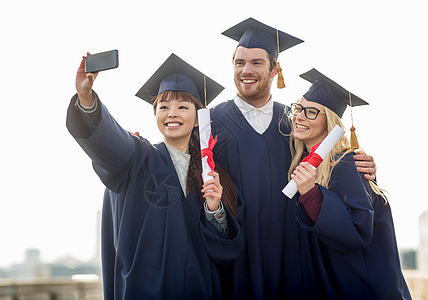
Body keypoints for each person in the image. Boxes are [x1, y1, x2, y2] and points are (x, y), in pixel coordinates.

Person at [210, 18, 378, 298]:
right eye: (239, 63)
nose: (246, 70)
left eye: (256, 63)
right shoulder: (211, 123)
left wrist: (365, 166)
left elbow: (328, 161)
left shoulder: (293, 124)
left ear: (276, 69)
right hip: (236, 259)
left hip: (293, 256)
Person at [66, 53, 244, 299]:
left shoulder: (213, 173)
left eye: (183, 107)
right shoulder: (137, 157)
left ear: (197, 120)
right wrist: (86, 98)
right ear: (155, 115)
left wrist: (215, 210)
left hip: (200, 290)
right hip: (146, 290)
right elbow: (109, 141)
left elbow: (227, 251)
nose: (172, 114)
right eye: (164, 107)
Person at [286, 68, 411, 299]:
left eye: (312, 112)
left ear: (330, 122)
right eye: (298, 108)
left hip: (361, 289)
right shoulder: (305, 163)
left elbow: (359, 230)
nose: (299, 116)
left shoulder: (346, 164)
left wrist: (312, 195)